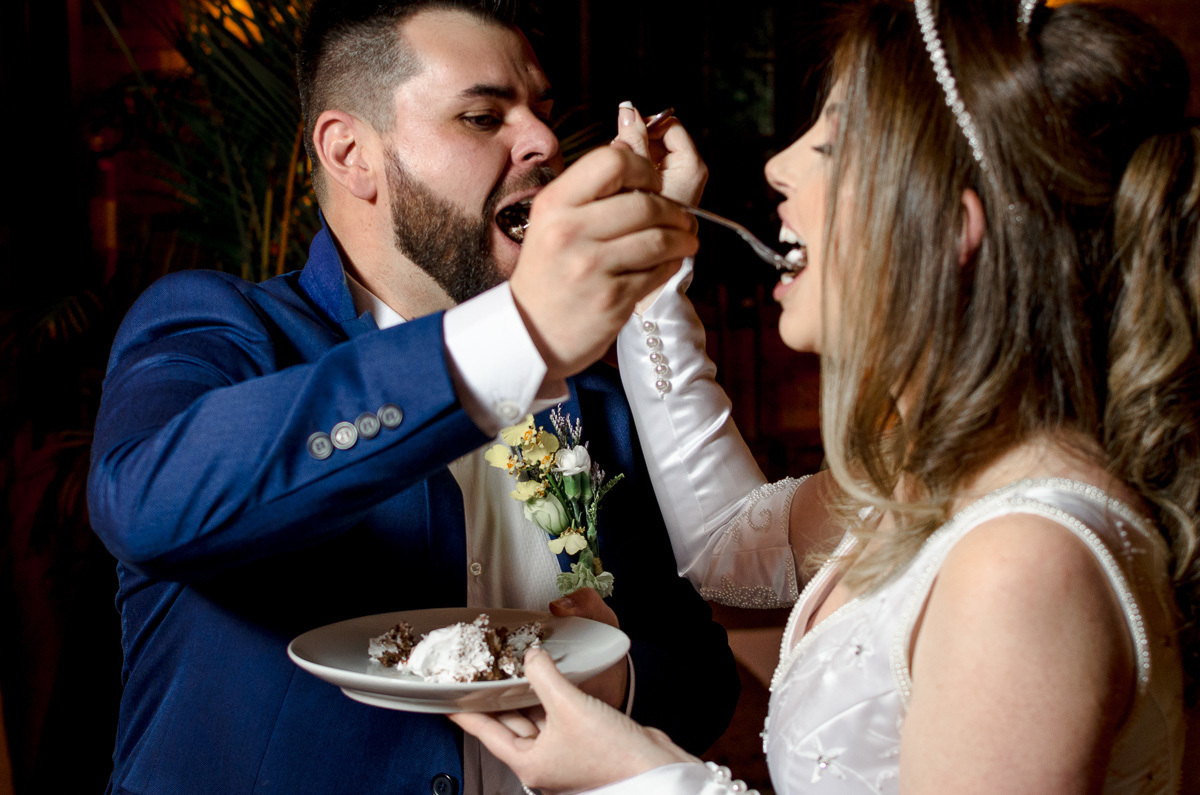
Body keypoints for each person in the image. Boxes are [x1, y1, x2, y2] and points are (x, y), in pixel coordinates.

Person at [452, 0, 1200, 791]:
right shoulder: (928, 484)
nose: (779, 165)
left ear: (950, 229)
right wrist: (655, 278)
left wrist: (643, 775)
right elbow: (727, 547)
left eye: (833, 142)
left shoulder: (1023, 565)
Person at [86, 1, 741, 792]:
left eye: (541, 111)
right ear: (351, 152)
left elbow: (702, 679)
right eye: (481, 116)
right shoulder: (221, 328)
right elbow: (145, 500)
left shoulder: (592, 397)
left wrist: (618, 683)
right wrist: (515, 335)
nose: (540, 140)